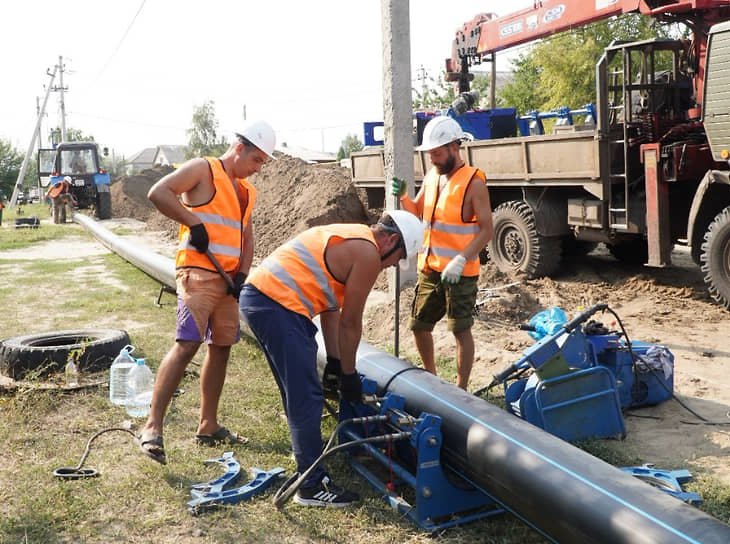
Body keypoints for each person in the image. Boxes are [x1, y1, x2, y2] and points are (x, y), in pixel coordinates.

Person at [239, 210, 424, 507]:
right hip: (278, 305)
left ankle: (305, 457)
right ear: (391, 240)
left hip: (262, 298)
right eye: (398, 258)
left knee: (297, 391)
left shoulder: (352, 235)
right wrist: (350, 375)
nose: (392, 265)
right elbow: (352, 321)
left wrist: (337, 363)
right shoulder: (368, 254)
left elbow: (331, 308)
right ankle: (311, 485)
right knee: (306, 395)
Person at [138, 120, 276, 465]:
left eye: (263, 163)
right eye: (257, 160)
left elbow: (246, 236)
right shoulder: (203, 169)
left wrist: (243, 273)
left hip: (229, 281)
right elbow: (159, 193)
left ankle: (208, 424)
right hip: (197, 274)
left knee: (222, 347)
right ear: (240, 148)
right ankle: (152, 427)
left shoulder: (246, 191)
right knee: (187, 344)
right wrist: (193, 222)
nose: (258, 169)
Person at [392, 116, 493, 390]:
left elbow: (487, 230)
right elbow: (417, 213)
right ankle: (432, 379)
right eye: (430, 154)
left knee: (460, 330)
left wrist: (461, 260)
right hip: (431, 267)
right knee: (419, 324)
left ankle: (461, 391)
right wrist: (403, 197)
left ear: (453, 147)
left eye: (437, 153)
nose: (433, 159)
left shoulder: (474, 182)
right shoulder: (432, 177)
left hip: (460, 272)